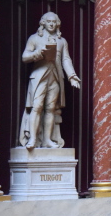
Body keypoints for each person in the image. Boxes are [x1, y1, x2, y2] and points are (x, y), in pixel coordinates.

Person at [19, 12, 81, 149]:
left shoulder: (62, 41)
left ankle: (47, 140)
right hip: (39, 77)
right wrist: (37, 53)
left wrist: (72, 76)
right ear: (43, 23)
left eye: (54, 22)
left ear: (57, 24)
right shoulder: (34, 38)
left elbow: (66, 59)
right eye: (49, 22)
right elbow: (25, 56)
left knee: (50, 109)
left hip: (55, 77)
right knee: (36, 107)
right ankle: (33, 139)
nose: (51, 24)